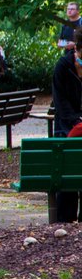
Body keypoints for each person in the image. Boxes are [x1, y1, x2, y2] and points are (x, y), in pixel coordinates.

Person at [50, 28, 82, 221]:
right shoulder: (63, 67)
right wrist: (76, 122)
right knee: (67, 177)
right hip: (66, 128)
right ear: (76, 49)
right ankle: (65, 220)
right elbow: (60, 103)